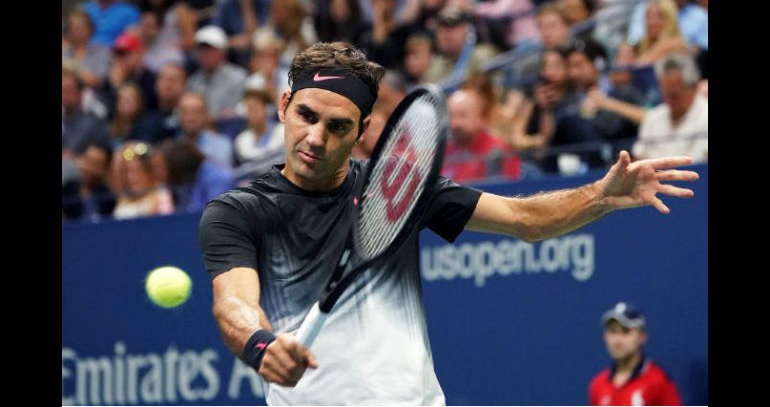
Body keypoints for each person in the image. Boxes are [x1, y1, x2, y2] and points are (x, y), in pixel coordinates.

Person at [198, 41, 698, 405]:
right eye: (306, 115)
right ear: (284, 106)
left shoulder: (397, 189)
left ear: (361, 132)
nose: (316, 137)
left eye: (337, 127)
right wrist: (262, 345)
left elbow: (523, 218)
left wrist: (601, 196)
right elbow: (235, 304)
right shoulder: (239, 212)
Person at [589, 302, 682, 406]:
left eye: (625, 332)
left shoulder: (658, 382)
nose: (617, 341)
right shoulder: (598, 385)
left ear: (642, 336)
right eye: (612, 331)